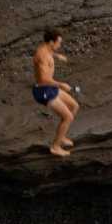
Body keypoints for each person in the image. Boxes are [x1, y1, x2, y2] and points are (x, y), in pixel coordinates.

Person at [32, 28, 79, 156]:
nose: (60, 45)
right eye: (59, 42)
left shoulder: (46, 49)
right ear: (51, 42)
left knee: (74, 106)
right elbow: (43, 79)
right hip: (43, 91)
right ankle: (55, 147)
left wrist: (57, 56)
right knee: (68, 117)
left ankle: (61, 136)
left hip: (50, 88)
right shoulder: (42, 55)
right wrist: (61, 84)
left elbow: (48, 54)